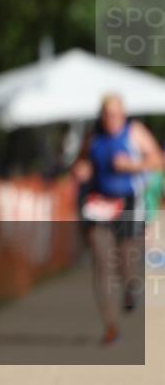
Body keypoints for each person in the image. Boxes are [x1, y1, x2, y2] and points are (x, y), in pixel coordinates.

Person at [71, 94, 163, 344]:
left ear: (123, 114)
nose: (111, 118)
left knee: (126, 262)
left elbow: (158, 160)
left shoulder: (135, 132)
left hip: (129, 204)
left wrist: (132, 166)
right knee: (102, 264)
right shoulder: (94, 137)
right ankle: (111, 326)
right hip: (98, 205)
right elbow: (80, 163)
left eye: (115, 114)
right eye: (107, 114)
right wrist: (81, 170)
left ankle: (132, 288)